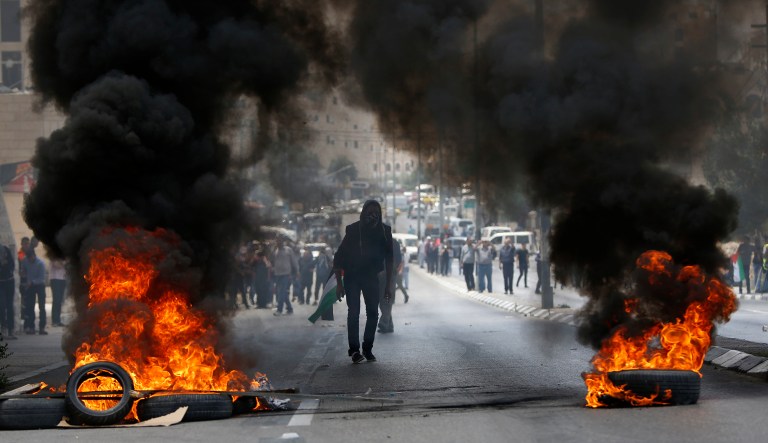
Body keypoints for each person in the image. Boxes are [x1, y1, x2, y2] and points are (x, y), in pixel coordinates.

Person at [334, 200, 393, 363]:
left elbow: (390, 260)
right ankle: (354, 350)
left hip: (371, 277)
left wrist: (388, 286)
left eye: (376, 213)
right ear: (363, 213)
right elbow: (338, 257)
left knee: (373, 313)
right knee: (353, 313)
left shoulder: (385, 231)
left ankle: (367, 348)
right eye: (369, 212)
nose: (372, 216)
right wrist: (339, 284)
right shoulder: (353, 230)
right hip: (352, 277)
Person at [378, 238, 402, 334]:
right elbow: (399, 259)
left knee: (384, 299)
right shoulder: (395, 242)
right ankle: (389, 325)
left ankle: (384, 321)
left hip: (384, 272)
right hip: (390, 272)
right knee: (385, 298)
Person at [21, 249, 47, 335]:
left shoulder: (40, 264)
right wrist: (23, 274)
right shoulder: (25, 261)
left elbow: (41, 279)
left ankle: (42, 327)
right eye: (28, 259)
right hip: (30, 286)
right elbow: (23, 270)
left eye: (30, 258)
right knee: (30, 306)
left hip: (39, 285)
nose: (29, 260)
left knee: (41, 306)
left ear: (34, 256)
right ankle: (31, 327)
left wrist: (32, 282)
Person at [271, 237, 299, 316]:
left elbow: (294, 261)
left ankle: (279, 310)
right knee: (282, 292)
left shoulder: (288, 250)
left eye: (279, 241)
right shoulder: (275, 251)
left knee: (281, 292)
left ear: (282, 242)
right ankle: (290, 308)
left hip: (286, 274)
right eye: (277, 241)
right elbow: (272, 261)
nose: (278, 243)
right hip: (277, 274)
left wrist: (297, 271)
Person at [0, 244, 16, 339]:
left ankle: (11, 329)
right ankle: (3, 327)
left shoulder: (5, 249)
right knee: (2, 305)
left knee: (10, 306)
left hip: (9, 281)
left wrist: (5, 266)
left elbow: (11, 265)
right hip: (0, 283)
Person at [49, 256, 67, 327]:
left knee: (60, 300)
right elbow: (57, 265)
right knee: (56, 299)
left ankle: (58, 320)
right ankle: (54, 320)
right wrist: (64, 263)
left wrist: (63, 263)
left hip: (62, 278)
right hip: (55, 279)